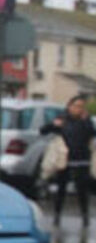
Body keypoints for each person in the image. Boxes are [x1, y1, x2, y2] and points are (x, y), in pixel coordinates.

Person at [41, 94, 94, 228]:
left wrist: (86, 121)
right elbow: (43, 130)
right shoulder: (63, 119)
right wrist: (54, 124)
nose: (78, 109)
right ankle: (57, 215)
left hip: (82, 159)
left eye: (81, 107)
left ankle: (85, 216)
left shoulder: (86, 121)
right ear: (69, 106)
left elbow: (92, 133)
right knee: (61, 188)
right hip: (64, 159)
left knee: (82, 190)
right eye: (76, 106)